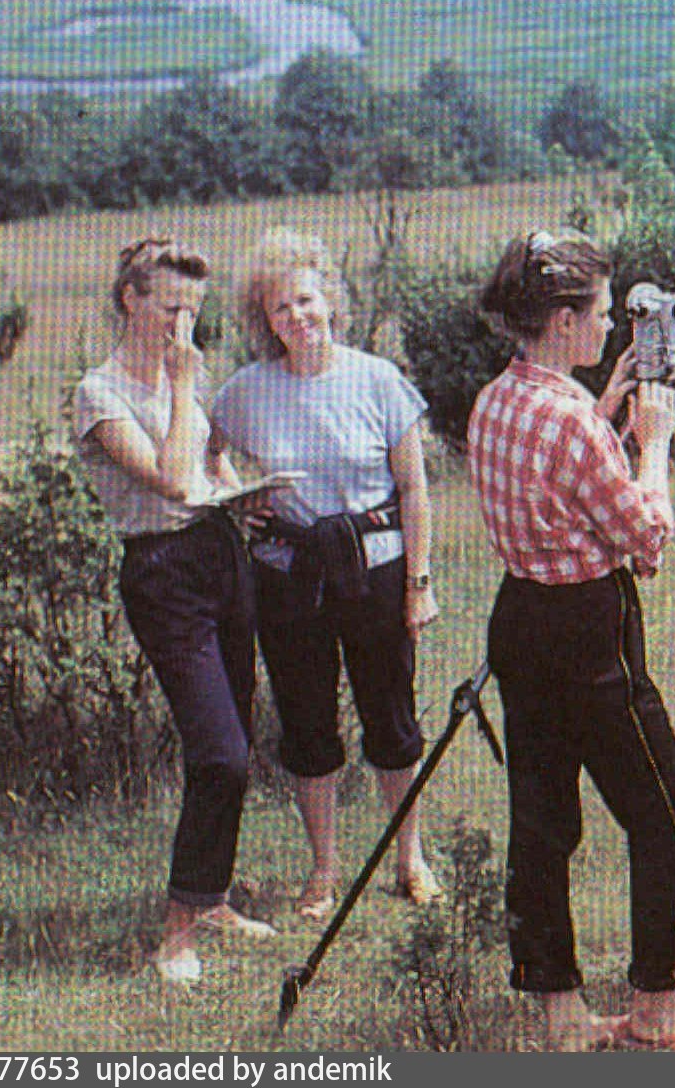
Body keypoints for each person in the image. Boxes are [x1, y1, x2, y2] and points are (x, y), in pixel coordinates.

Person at [464, 229, 675, 1053]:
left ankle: (562, 1012)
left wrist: (605, 407)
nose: (612, 326)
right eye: (602, 312)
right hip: (588, 632)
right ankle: (657, 1007)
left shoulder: (496, 399)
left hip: (520, 620)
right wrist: (649, 444)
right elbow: (646, 538)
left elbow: (559, 479)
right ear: (565, 320)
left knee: (541, 822)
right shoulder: (574, 422)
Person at [208, 228, 441, 925]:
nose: (296, 319)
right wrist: (237, 496)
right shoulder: (246, 390)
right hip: (289, 576)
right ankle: (324, 872)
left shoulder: (377, 378)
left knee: (392, 716)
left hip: (376, 566)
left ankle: (410, 859)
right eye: (280, 309)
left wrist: (420, 583)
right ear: (264, 319)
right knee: (308, 724)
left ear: (330, 301)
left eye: (305, 301)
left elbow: (416, 489)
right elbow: (208, 451)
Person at [70, 238, 277, 983]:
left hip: (220, 551)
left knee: (240, 738)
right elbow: (165, 477)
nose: (182, 324)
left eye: (192, 309)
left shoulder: (183, 372)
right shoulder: (100, 393)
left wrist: (243, 492)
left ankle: (213, 897)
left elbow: (206, 470)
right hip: (162, 571)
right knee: (216, 749)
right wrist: (186, 388)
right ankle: (176, 935)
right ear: (131, 299)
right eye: (168, 306)